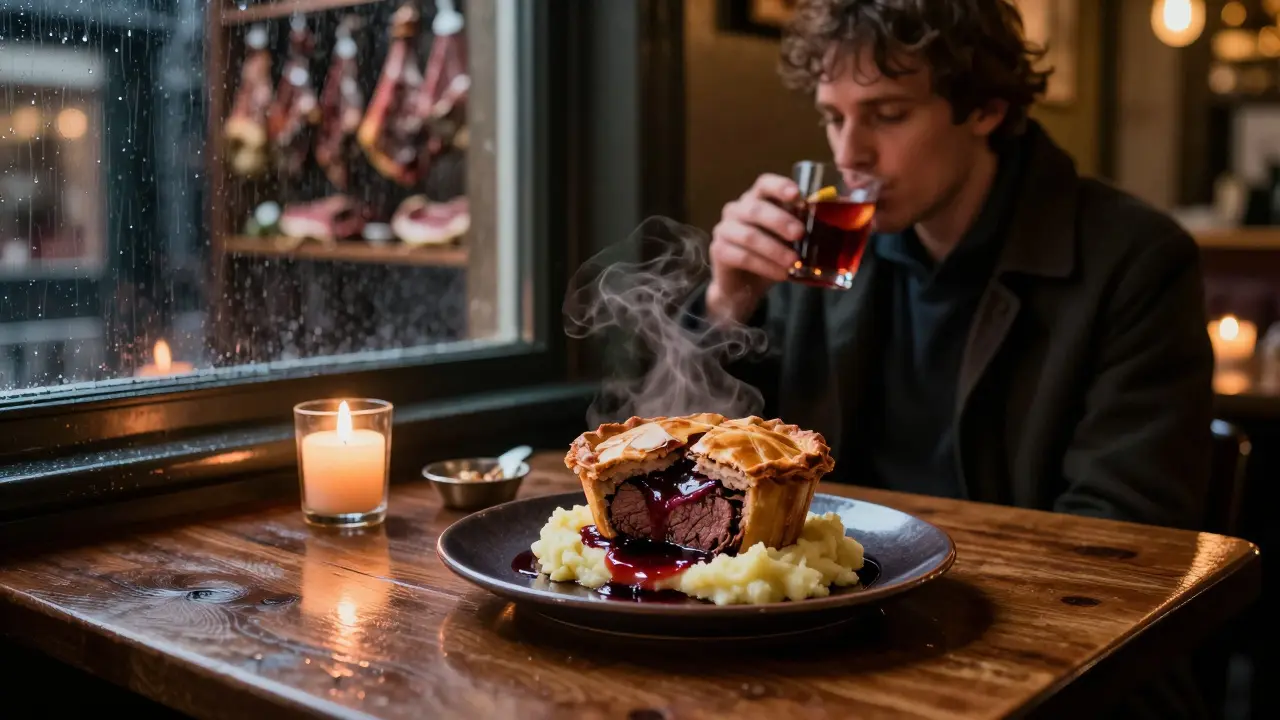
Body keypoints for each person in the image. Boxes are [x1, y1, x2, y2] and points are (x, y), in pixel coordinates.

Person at [690, 0, 1215, 534]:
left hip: (1026, 602)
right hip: (836, 591)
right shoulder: (817, 250)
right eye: (833, 117)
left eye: (888, 114)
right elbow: (701, 476)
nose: (850, 155)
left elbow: (1128, 530)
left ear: (986, 109)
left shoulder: (1135, 259)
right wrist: (727, 306)